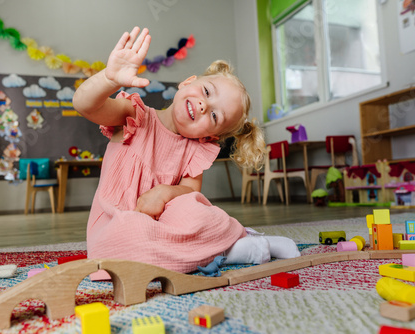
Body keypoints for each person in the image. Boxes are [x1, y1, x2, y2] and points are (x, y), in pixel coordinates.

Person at [73, 27, 300, 279]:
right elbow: (84, 105)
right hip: (119, 224)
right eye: (206, 92)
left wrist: (163, 192)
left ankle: (234, 243)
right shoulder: (133, 115)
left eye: (215, 115)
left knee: (195, 209)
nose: (204, 105)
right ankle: (227, 248)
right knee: (126, 237)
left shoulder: (196, 148)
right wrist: (110, 79)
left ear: (210, 136)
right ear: (188, 82)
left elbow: (190, 192)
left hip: (166, 225)